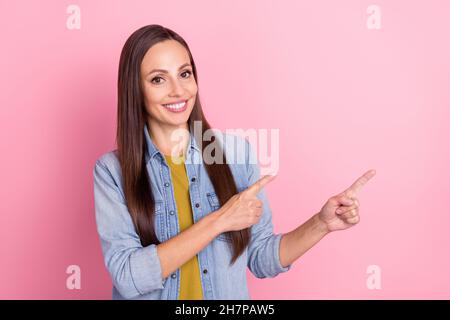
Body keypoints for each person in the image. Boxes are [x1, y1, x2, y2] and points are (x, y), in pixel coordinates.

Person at [93, 24, 376, 300]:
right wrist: (221, 220)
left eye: (185, 73)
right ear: (135, 89)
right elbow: (128, 277)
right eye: (158, 79)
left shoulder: (235, 154)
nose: (178, 90)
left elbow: (261, 257)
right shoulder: (112, 172)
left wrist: (322, 223)